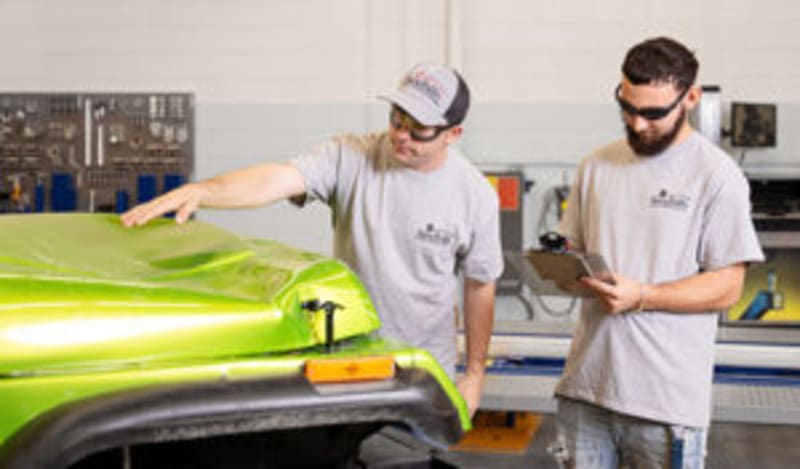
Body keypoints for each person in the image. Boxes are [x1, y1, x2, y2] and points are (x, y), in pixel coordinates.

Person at [121, 63, 503, 417]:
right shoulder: (351, 157)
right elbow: (278, 178)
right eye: (397, 119)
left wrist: (474, 373)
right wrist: (204, 191)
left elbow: (480, 285)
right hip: (350, 360)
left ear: (453, 134)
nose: (401, 135)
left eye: (418, 128)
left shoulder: (474, 194)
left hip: (423, 371)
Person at [551, 37, 764, 468]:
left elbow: (728, 286)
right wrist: (562, 265)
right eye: (627, 108)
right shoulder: (595, 165)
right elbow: (574, 247)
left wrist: (644, 295)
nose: (638, 123)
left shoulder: (717, 177)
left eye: (653, 113)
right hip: (586, 390)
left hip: (664, 404)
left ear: (690, 98)